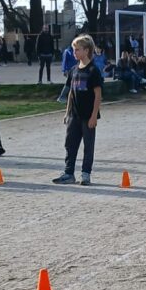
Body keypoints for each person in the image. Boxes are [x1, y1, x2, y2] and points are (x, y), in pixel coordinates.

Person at [52, 35, 103, 186]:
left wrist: (94, 116)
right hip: (74, 115)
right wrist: (67, 113)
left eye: (77, 50)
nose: (74, 52)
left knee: (88, 146)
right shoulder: (73, 70)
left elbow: (98, 95)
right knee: (70, 144)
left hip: (88, 116)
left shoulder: (93, 70)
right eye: (74, 49)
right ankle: (68, 173)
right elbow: (70, 93)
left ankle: (86, 174)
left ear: (86, 50)